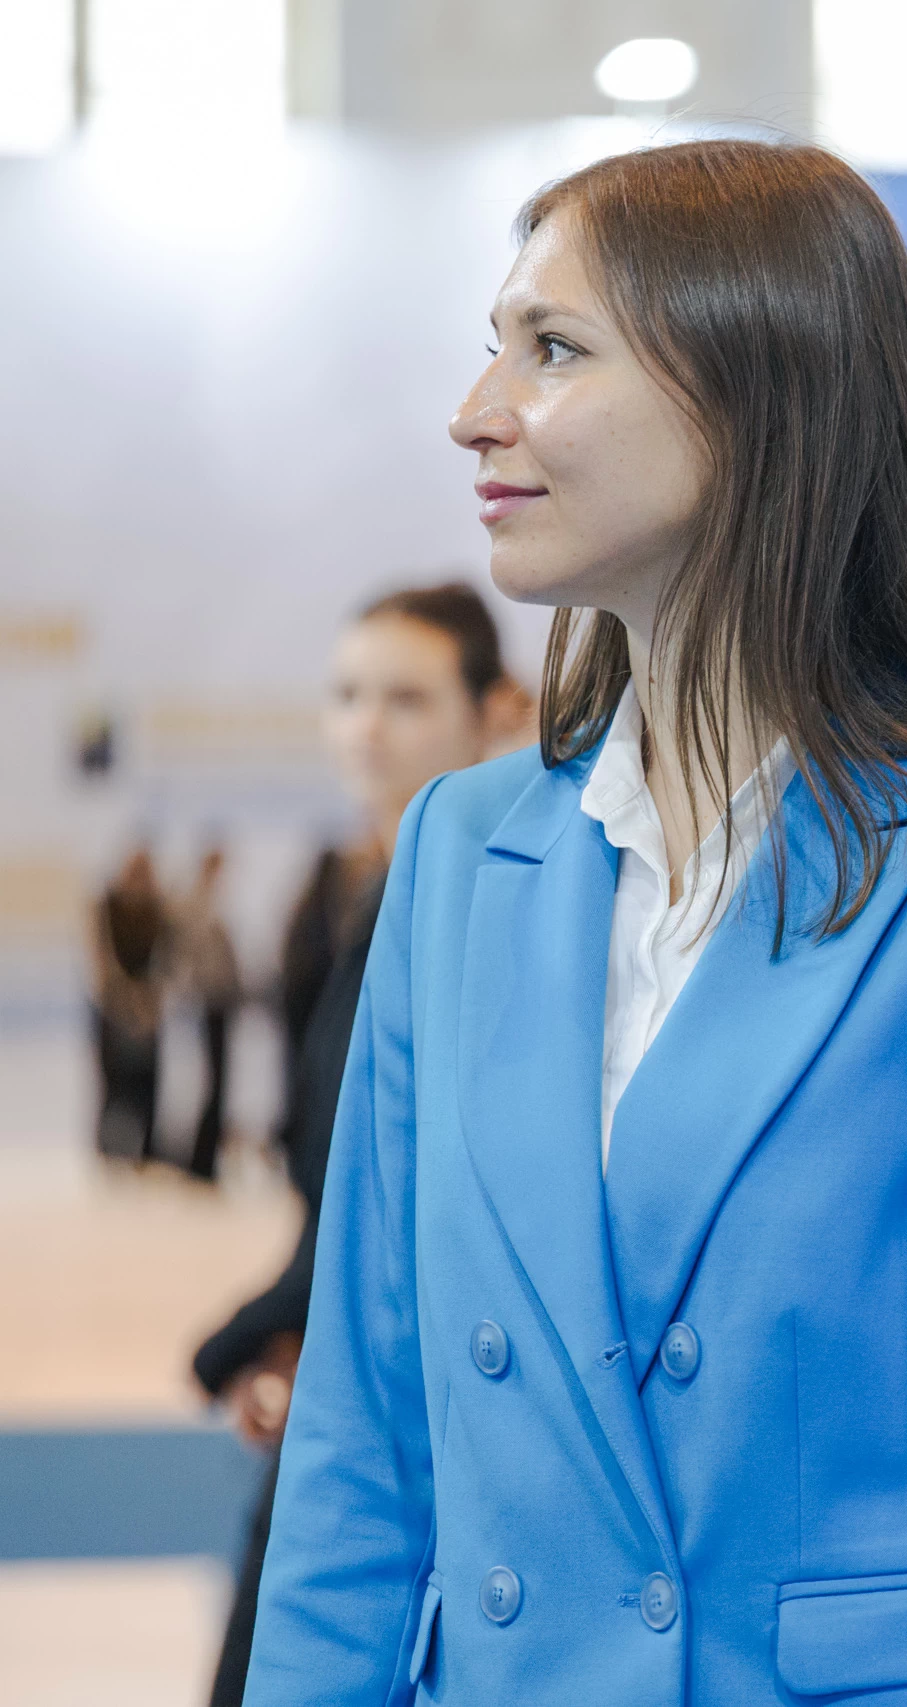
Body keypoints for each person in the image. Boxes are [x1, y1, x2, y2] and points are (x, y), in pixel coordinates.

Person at [245, 140, 907, 1706]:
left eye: (553, 348)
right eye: (494, 343)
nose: (477, 411)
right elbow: (363, 1447)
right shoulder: (463, 851)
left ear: (754, 391)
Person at [195, 582, 514, 1707]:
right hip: (346, 1363)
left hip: (413, 1402)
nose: (365, 728)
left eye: (406, 698)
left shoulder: (483, 906)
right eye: (347, 695)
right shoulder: (358, 894)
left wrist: (250, 1337)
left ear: (496, 711)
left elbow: (411, 1187)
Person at [89, 846, 168, 1163]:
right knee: (114, 1082)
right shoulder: (107, 906)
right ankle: (108, 1149)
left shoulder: (157, 908)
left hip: (147, 1007)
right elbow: (102, 957)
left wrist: (149, 998)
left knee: (146, 1083)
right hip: (112, 1005)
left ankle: (145, 1151)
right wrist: (123, 997)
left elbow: (165, 957)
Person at [175, 845, 246, 1182]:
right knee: (209, 1080)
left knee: (217, 1081)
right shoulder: (196, 903)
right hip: (208, 1001)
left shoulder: (210, 902)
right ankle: (199, 1158)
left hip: (220, 1000)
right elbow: (193, 955)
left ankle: (206, 1156)